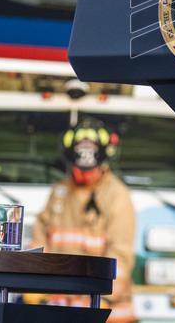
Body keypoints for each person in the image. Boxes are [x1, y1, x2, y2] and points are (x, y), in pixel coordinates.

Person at [32, 119, 136, 321]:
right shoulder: (59, 193)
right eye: (78, 169)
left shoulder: (117, 195)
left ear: (103, 162)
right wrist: (32, 285)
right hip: (59, 309)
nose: (83, 175)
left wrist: (104, 296)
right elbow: (40, 241)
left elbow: (120, 258)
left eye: (89, 170)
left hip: (105, 311)